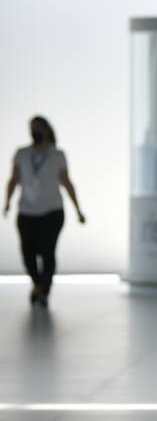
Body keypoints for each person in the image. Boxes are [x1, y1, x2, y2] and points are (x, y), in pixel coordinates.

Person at [4, 116, 85, 307]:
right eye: (32, 128)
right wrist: (7, 202)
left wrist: (78, 209)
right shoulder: (22, 154)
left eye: (38, 128)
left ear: (47, 130)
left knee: (47, 250)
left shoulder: (57, 155)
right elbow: (13, 179)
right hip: (27, 211)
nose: (34, 132)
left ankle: (44, 290)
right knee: (28, 252)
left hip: (52, 211)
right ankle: (38, 285)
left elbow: (67, 182)